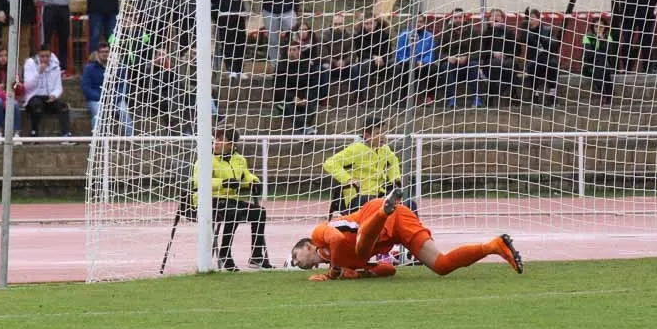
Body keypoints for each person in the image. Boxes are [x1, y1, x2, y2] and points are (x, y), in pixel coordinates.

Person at [289, 189, 523, 280]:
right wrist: (360, 274)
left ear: (308, 246)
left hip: (374, 213)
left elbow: (338, 239)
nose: (296, 263)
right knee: (441, 265)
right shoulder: (343, 263)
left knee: (361, 246)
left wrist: (333, 273)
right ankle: (494, 246)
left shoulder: (318, 234)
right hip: (398, 221)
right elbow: (389, 269)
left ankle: (384, 211)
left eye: (295, 256)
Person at [192, 127, 273, 271]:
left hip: (229, 200)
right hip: (208, 201)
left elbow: (246, 176)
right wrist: (224, 183)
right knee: (233, 212)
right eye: (215, 139)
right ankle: (225, 254)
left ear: (231, 144)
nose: (216, 143)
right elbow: (200, 181)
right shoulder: (205, 159)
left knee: (259, 212)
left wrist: (254, 181)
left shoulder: (240, 160)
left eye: (220, 140)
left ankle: (256, 256)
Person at [323, 116, 404, 218]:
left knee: (409, 203)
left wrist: (395, 179)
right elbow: (329, 163)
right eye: (378, 133)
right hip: (358, 196)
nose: (383, 137)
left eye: (384, 133)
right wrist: (348, 179)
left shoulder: (385, 149)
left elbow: (394, 161)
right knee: (376, 203)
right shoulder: (356, 150)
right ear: (367, 135)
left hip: (379, 193)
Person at [212, 0, 249, 79]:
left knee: (241, 41)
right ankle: (230, 69)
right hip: (223, 13)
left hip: (238, 12)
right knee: (227, 42)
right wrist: (216, 11)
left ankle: (239, 70)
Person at [22, 43, 72, 138]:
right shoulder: (30, 64)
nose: (45, 59)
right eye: (42, 56)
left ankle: (66, 134)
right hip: (34, 97)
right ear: (38, 55)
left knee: (63, 106)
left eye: (47, 56)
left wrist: (54, 95)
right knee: (37, 106)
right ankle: (34, 133)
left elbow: (58, 86)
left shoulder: (55, 65)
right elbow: (27, 86)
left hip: (49, 98)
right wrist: (38, 72)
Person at [520, 8, 559, 105]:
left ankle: (552, 93)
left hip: (547, 58)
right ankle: (535, 93)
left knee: (552, 64)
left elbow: (554, 46)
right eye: (529, 18)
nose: (531, 20)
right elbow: (522, 40)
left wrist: (541, 38)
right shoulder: (527, 31)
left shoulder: (547, 29)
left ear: (538, 19)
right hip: (533, 59)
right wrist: (525, 25)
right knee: (531, 66)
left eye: (533, 17)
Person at [395, 14, 437, 103]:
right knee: (405, 67)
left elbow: (431, 53)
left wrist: (423, 61)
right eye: (416, 22)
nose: (418, 24)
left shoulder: (429, 36)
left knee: (434, 68)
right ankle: (405, 97)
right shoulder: (404, 35)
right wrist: (412, 62)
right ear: (411, 23)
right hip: (408, 63)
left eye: (421, 22)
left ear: (424, 23)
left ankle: (428, 96)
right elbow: (400, 54)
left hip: (422, 64)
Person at [479, 8, 517, 102]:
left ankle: (513, 94)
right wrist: (493, 54)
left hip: (506, 60)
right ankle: (491, 95)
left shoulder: (508, 33)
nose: (495, 17)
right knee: (495, 63)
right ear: (489, 20)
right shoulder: (485, 33)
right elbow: (481, 52)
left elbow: (516, 50)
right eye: (492, 16)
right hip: (490, 61)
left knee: (510, 64)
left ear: (502, 19)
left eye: (498, 16)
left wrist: (505, 55)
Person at [582, 17, 616, 106]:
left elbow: (609, 53)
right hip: (589, 67)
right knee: (601, 62)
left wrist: (602, 40)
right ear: (593, 27)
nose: (598, 29)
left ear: (605, 28)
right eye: (596, 26)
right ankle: (607, 95)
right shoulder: (587, 37)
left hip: (604, 66)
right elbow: (589, 54)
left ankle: (605, 94)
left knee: (603, 66)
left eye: (601, 27)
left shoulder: (608, 38)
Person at [81, 41, 109, 132]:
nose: (105, 54)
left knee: (124, 111)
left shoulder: (117, 67)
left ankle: (131, 137)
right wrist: (100, 97)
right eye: (102, 52)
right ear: (97, 53)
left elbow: (122, 85)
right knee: (98, 113)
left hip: (114, 99)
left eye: (107, 52)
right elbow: (86, 88)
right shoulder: (89, 68)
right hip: (95, 99)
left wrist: (115, 97)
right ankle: (97, 138)